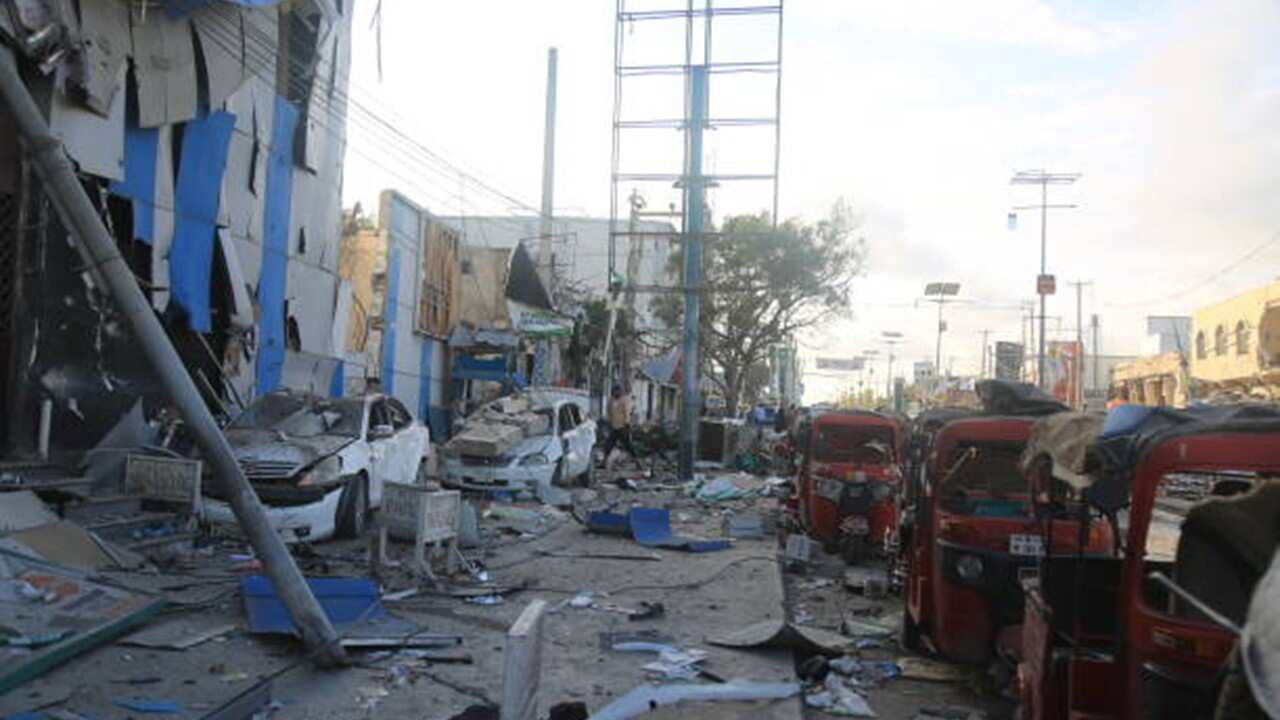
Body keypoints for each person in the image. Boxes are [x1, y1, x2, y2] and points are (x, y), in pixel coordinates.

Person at [603, 384, 638, 461]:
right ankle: (604, 462)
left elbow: (627, 412)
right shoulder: (610, 401)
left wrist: (627, 424)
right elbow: (608, 412)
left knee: (628, 445)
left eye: (618, 391)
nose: (616, 393)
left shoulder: (624, 400)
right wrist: (609, 422)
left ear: (620, 392)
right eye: (615, 391)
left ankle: (637, 462)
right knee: (608, 445)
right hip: (614, 427)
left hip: (622, 427)